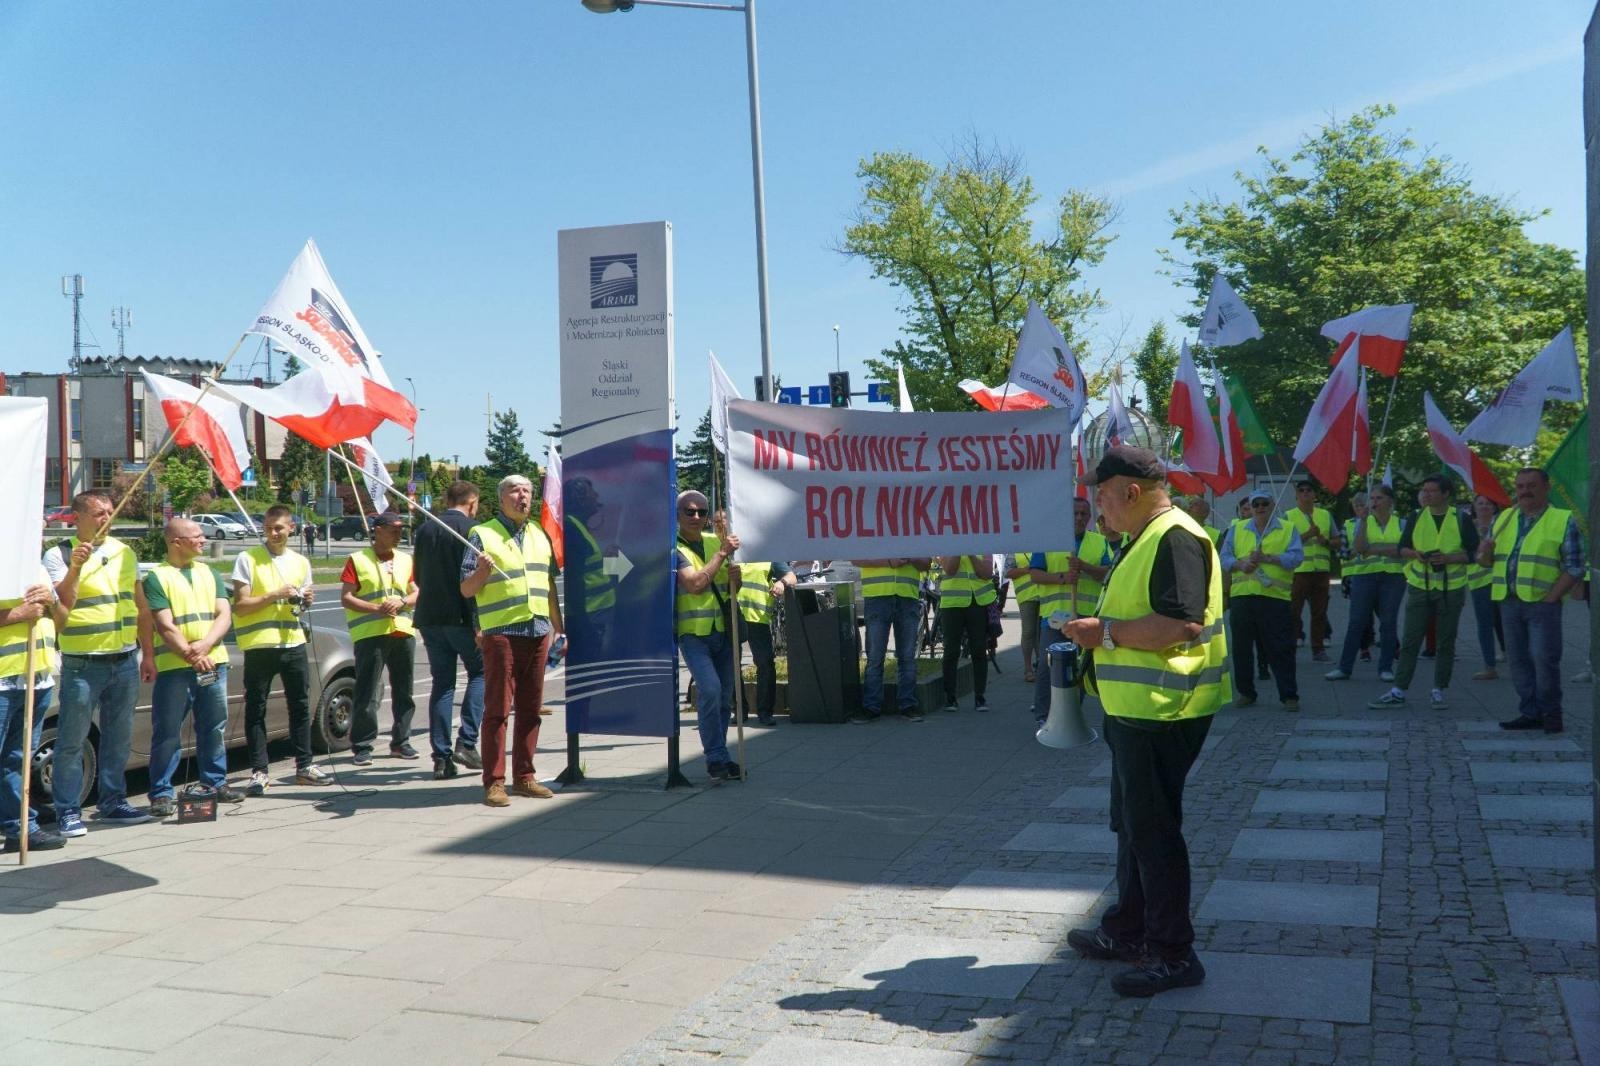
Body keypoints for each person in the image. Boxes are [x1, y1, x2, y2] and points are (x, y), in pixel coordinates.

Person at [1061, 446, 1227, 997]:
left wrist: (1101, 633)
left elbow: (1182, 625)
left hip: (1162, 711)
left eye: (1102, 496)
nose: (1097, 507)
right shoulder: (1145, 536)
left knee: (1153, 833)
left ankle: (1174, 953)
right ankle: (1128, 929)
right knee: (1132, 826)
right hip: (1138, 710)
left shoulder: (1174, 535)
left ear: (1131, 492)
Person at [46, 490, 152, 833]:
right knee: (72, 740)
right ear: (78, 517)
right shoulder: (58, 554)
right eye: (99, 513)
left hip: (123, 659)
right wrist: (76, 566)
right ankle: (67, 810)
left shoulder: (125, 553)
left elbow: (140, 606)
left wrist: (146, 652)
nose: (107, 517)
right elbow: (60, 605)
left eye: (110, 511)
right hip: (82, 662)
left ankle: (113, 802)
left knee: (119, 737)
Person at [461, 475, 563, 805]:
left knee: (531, 709)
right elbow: (466, 589)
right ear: (501, 497)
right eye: (515, 491)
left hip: (537, 631)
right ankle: (494, 782)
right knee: (498, 711)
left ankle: (525, 777)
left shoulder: (539, 534)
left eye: (528, 491)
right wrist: (482, 572)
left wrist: (559, 628)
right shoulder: (481, 534)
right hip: (501, 633)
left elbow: (548, 586)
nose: (523, 496)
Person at [144, 518, 243, 816]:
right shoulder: (157, 578)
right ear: (176, 542)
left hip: (212, 662)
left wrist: (205, 646)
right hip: (176, 667)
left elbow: (224, 615)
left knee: (213, 727)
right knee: (168, 732)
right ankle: (161, 792)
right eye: (196, 535)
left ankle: (214, 782)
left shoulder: (209, 573)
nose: (203, 539)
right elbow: (164, 624)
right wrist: (192, 654)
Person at [231, 505, 328, 793]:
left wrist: (306, 599)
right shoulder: (248, 558)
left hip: (293, 642)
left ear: (291, 529)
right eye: (269, 527)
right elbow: (241, 604)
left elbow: (302, 602)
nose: (273, 533)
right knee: (255, 709)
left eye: (279, 528)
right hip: (261, 645)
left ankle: (304, 765)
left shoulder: (300, 562)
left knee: (299, 705)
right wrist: (275, 594)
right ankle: (259, 771)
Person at [1481, 469, 1586, 733]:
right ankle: (1529, 712)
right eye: (1520, 486)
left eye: (1531, 485)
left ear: (1546, 487)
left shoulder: (1562, 519)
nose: (1525, 490)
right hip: (1508, 600)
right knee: (1518, 661)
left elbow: (1575, 566)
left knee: (1543, 659)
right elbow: (1485, 561)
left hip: (1543, 603)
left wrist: (1551, 598)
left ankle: (1551, 714)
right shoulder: (1503, 518)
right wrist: (1483, 553)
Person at [1369, 474, 1477, 710]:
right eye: (1424, 491)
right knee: (1410, 639)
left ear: (1446, 494)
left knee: (1445, 641)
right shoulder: (1416, 516)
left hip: (1451, 588)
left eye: (1431, 491)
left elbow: (1474, 554)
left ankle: (1439, 688)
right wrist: (1415, 554)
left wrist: (1448, 558)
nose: (1426, 495)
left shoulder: (1461, 518)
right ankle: (1399, 689)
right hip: (1420, 586)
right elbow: (1402, 548)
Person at [415, 480, 487, 780]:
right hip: (461, 617)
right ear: (472, 502)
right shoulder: (473, 531)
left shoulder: (425, 528)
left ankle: (441, 758)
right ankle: (466, 742)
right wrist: (478, 624)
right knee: (481, 673)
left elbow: (417, 576)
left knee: (442, 685)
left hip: (430, 617)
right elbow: (472, 581)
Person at [341, 511, 420, 764]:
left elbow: (417, 590)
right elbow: (347, 597)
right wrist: (377, 608)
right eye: (394, 529)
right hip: (371, 634)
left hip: (402, 631)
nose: (399, 534)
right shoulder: (358, 559)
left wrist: (404, 601)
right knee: (367, 691)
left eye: (401, 529)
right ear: (378, 530)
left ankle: (401, 741)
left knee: (404, 690)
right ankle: (362, 745)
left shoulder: (406, 559)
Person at [673, 490, 740, 781]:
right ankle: (715, 756)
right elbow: (696, 584)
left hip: (722, 631)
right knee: (710, 691)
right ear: (678, 515)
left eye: (702, 511)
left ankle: (720, 756)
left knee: (725, 698)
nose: (697, 517)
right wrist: (723, 555)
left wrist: (735, 579)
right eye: (690, 511)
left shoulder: (715, 541)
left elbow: (728, 588)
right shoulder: (673, 547)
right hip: (693, 634)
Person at [0, 570, 66, 852]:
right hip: (3, 680)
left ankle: (20, 827)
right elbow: (20, 615)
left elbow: (61, 621)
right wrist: (17, 614)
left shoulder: (36, 567)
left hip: (36, 679)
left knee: (17, 760)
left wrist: (53, 602)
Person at [1220, 491, 1303, 709]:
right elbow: (1224, 557)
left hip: (1274, 598)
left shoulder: (1287, 528)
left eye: (1264, 503)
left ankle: (1289, 696)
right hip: (1243, 598)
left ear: (1272, 505)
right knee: (1242, 649)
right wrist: (1241, 565)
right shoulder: (1237, 529)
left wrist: (1269, 559)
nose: (1259, 507)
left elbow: (1296, 557)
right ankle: (1246, 692)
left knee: (1281, 648)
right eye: (1254, 504)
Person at [1328, 483, 1406, 683]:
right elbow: (1360, 548)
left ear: (1390, 501)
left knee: (1388, 623)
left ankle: (1386, 667)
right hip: (1364, 577)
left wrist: (1376, 549)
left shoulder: (1401, 523)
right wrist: (1363, 523)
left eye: (1379, 498)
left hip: (1393, 578)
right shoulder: (1358, 522)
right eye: (1372, 499)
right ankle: (1344, 668)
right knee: (1356, 622)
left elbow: (1403, 550)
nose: (1374, 502)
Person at [854, 555, 931, 723]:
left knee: (907, 656)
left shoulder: (914, 531)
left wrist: (911, 558)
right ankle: (871, 707)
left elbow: (927, 563)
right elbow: (855, 559)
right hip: (877, 596)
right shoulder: (870, 529)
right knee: (875, 656)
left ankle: (908, 705)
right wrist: (887, 562)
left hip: (907, 597)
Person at [737, 559, 796, 726]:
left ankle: (765, 712)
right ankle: (739, 711)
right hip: (732, 616)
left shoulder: (768, 556)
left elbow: (791, 576)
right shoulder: (732, 554)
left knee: (765, 664)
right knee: (732, 665)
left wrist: (781, 582)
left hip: (758, 617)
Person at [1285, 480, 1337, 663]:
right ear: (1296, 495)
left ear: (1314, 495)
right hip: (1299, 571)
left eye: (1309, 490)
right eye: (1302, 491)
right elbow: (1284, 544)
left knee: (1320, 612)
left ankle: (1318, 649)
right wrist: (1307, 534)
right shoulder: (1288, 516)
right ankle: (1289, 647)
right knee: (1293, 612)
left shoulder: (1325, 515)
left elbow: (1337, 540)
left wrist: (1327, 542)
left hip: (1321, 571)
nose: (1306, 493)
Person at [936, 552, 995, 712]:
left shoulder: (983, 542)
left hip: (978, 602)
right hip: (952, 604)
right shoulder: (944, 541)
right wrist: (959, 547)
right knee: (951, 651)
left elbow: (986, 574)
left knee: (979, 650)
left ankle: (980, 697)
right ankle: (950, 698)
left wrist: (971, 553)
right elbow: (950, 569)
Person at [563, 476, 616, 655]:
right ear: (581, 498)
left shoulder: (580, 527)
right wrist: (584, 624)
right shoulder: (572, 528)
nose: (597, 496)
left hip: (598, 615)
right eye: (593, 493)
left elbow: (593, 573)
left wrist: (611, 561)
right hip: (591, 619)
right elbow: (574, 581)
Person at [1467, 493, 1505, 682]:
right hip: (1479, 581)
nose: (1484, 506)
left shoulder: (1501, 525)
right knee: (1485, 623)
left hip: (1501, 579)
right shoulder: (1467, 527)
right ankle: (1489, 666)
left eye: (1488, 503)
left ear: (1495, 507)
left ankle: (1507, 653)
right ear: (1473, 506)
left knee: (1504, 621)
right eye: (1480, 503)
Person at [1006, 552, 1042, 684]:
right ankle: (1028, 668)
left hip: (1045, 594)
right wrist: (1026, 570)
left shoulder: (1042, 545)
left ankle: (1041, 666)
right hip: (1027, 597)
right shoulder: (1016, 550)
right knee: (1029, 632)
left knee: (1043, 632)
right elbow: (1008, 572)